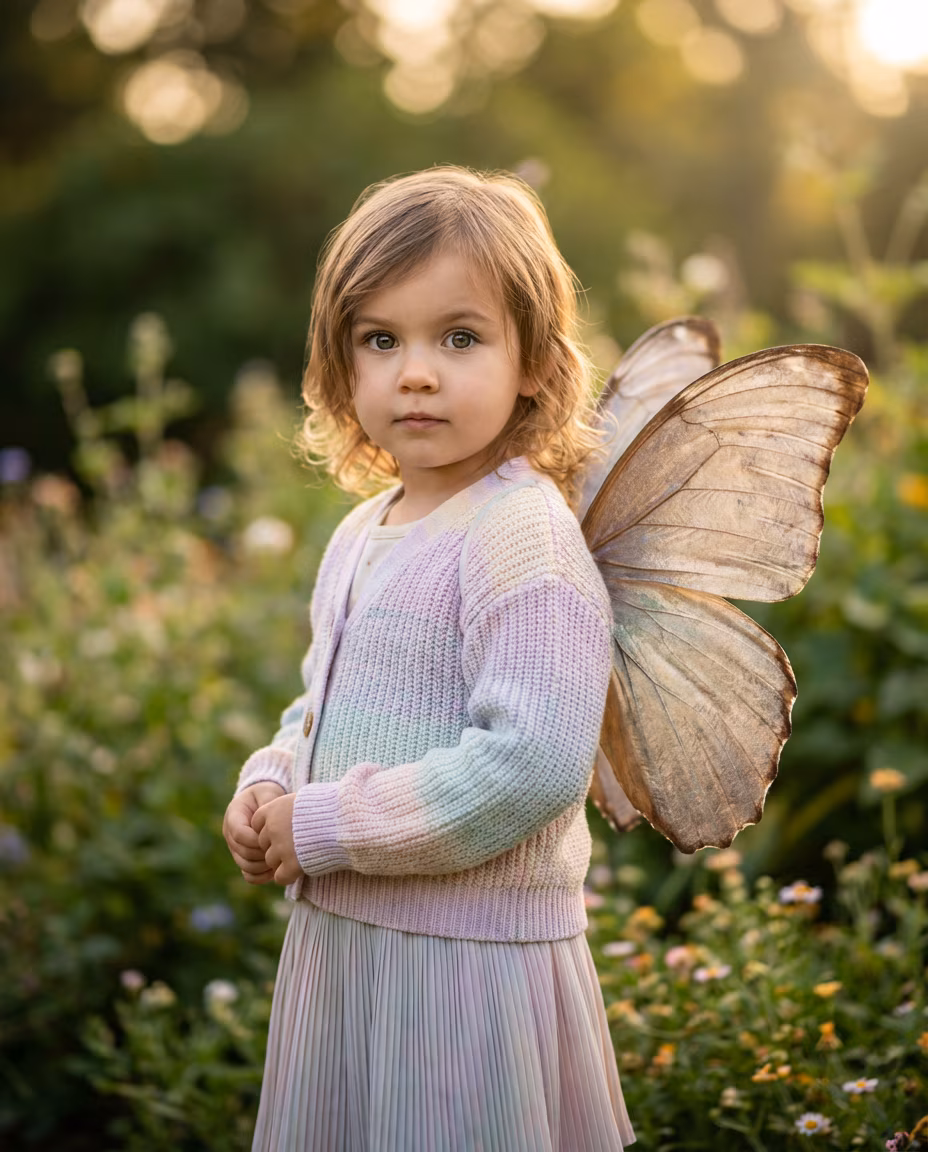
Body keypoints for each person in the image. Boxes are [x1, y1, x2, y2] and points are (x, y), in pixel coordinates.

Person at [222, 164, 637, 1151]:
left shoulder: (520, 537)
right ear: (342, 367)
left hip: (461, 975)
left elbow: (529, 764)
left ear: (534, 360)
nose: (416, 371)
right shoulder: (364, 531)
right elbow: (318, 703)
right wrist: (272, 777)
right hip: (347, 954)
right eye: (382, 340)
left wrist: (321, 822)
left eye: (460, 337)